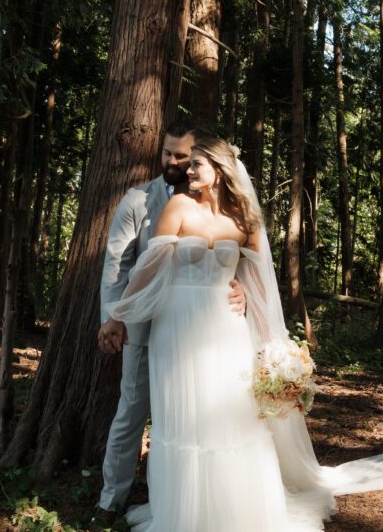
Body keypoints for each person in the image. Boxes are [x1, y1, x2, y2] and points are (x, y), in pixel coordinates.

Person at [101, 135, 383, 531]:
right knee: (181, 420)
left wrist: (261, 327)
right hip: (176, 328)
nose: (188, 170)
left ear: (220, 172)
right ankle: (184, 515)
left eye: (197, 165)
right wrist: (117, 316)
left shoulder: (244, 220)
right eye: (188, 165)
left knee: (231, 418)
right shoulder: (179, 206)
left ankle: (235, 513)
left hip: (226, 328)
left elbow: (259, 285)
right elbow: (149, 268)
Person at [93, 122, 246, 526]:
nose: (175, 162)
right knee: (132, 410)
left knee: (196, 415)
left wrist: (243, 292)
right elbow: (119, 264)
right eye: (168, 154)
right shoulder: (139, 200)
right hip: (146, 326)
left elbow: (243, 265)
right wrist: (114, 316)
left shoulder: (225, 210)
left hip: (206, 332)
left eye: (183, 156)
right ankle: (112, 498)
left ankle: (192, 499)